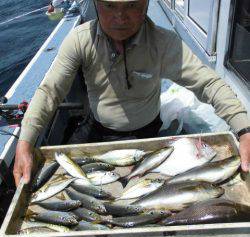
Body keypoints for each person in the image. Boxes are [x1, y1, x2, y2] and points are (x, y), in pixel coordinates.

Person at [13, 0, 250, 187]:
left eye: (132, 5)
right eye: (109, 5)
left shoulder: (164, 43)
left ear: (146, 4)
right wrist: (25, 142)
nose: (120, 16)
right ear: (96, 4)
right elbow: (50, 91)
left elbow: (208, 83)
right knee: (62, 176)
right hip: (97, 130)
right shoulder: (79, 40)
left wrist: (244, 130)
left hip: (146, 134)